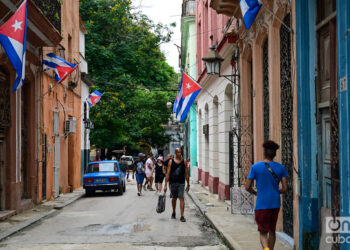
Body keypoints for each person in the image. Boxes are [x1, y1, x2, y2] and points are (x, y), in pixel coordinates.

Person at [245, 140, 288, 250]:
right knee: (272, 230)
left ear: (264, 152)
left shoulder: (255, 167)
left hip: (262, 204)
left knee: (263, 232)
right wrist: (275, 191)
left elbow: (247, 186)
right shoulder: (281, 168)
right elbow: (285, 188)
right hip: (275, 203)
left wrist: (256, 193)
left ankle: (266, 249)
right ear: (275, 154)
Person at [164, 148, 190, 222]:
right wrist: (165, 185)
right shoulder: (170, 162)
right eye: (178, 152)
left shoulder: (184, 162)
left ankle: (182, 216)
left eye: (180, 152)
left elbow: (186, 174)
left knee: (181, 198)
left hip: (181, 183)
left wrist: (188, 184)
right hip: (173, 183)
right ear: (175, 153)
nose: (179, 154)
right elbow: (168, 174)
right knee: (174, 198)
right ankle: (174, 211)